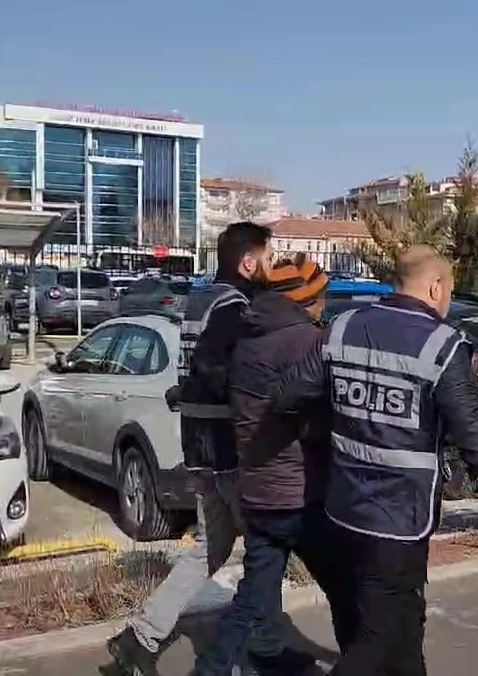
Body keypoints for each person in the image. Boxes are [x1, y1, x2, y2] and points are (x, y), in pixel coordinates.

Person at [269, 245, 478, 676]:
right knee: (377, 638)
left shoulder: (343, 327)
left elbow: (286, 396)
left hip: (344, 509)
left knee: (403, 624)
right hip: (398, 519)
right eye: (447, 289)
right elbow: (475, 440)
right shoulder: (443, 345)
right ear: (435, 287)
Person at [108, 222, 309, 676]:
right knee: (265, 549)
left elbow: (196, 371)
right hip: (228, 448)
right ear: (248, 262)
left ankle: (139, 637)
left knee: (209, 549)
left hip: (198, 443)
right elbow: (217, 369)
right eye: (270, 257)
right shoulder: (237, 307)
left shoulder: (201, 297)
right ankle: (254, 650)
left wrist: (190, 392)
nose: (273, 267)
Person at [196, 254, 358, 676]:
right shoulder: (307, 342)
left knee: (253, 596)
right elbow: (322, 415)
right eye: (322, 296)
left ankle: (213, 668)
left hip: (259, 488)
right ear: (305, 299)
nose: (326, 304)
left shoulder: (250, 336)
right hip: (299, 492)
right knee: (345, 586)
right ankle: (363, 663)